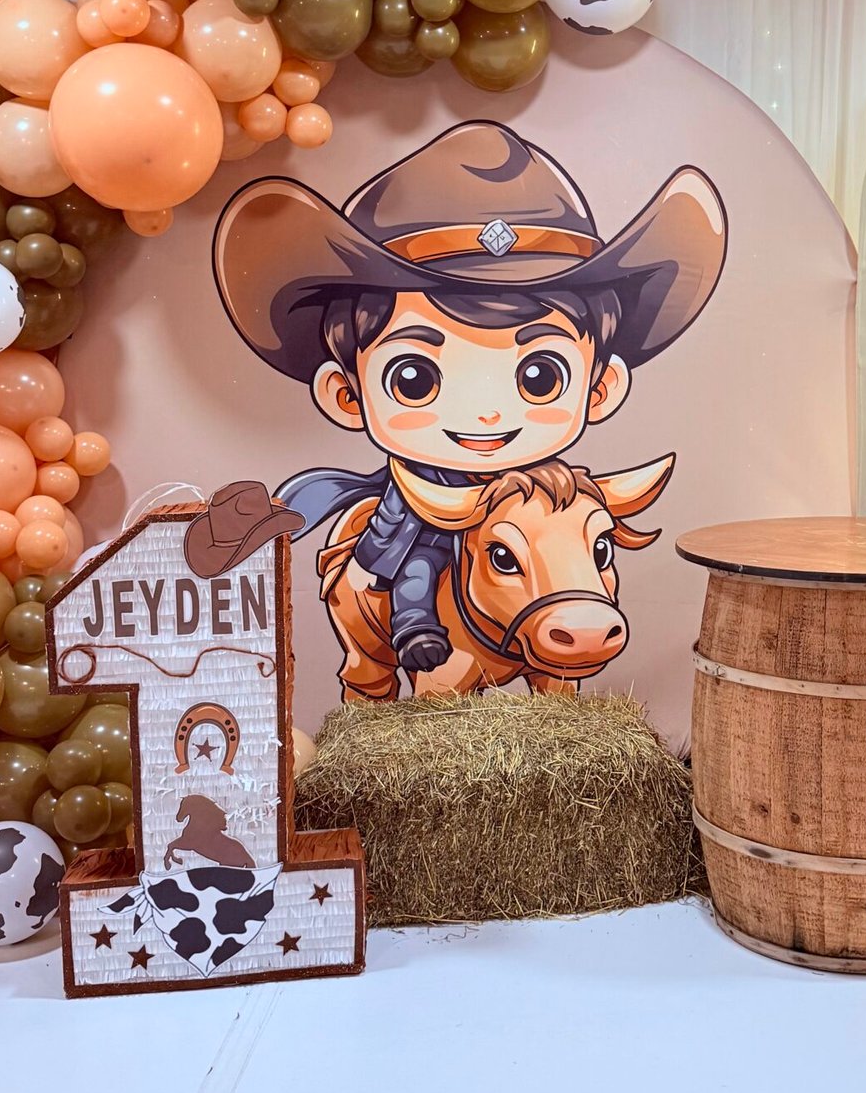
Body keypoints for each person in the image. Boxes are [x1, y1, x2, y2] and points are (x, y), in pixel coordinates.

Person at [213, 120, 726, 684]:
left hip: (529, 505)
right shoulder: (419, 495)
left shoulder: (556, 494)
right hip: (423, 508)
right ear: (348, 397)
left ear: (599, 388)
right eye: (414, 379)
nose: (486, 414)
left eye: (539, 376)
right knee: (419, 559)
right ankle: (413, 630)